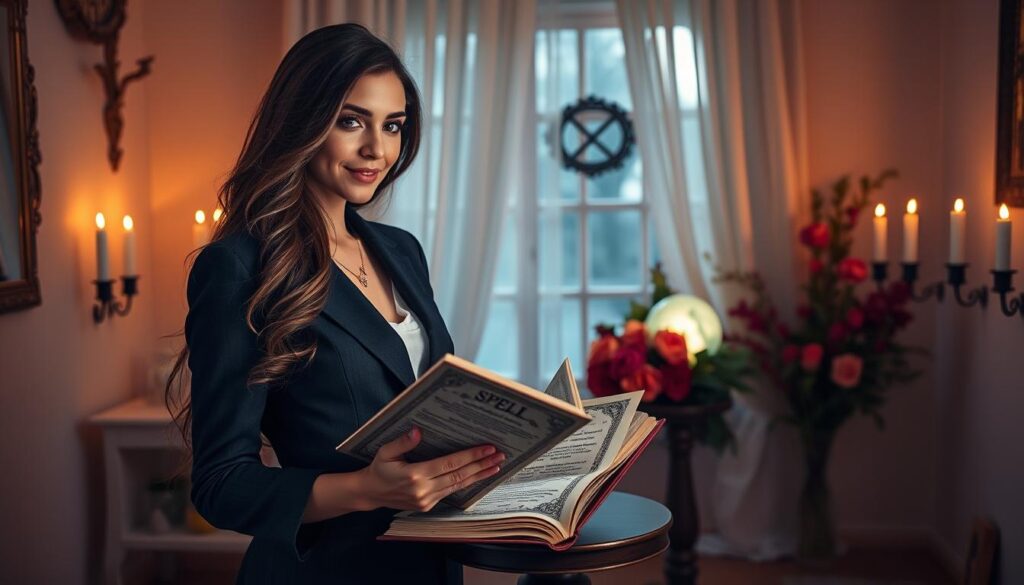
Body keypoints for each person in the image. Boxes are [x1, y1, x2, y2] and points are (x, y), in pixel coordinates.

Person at [165, 23, 504, 584]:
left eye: (392, 126)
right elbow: (220, 484)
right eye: (351, 121)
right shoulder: (237, 267)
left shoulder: (401, 250)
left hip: (433, 566)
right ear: (301, 121)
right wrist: (364, 488)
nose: (377, 149)